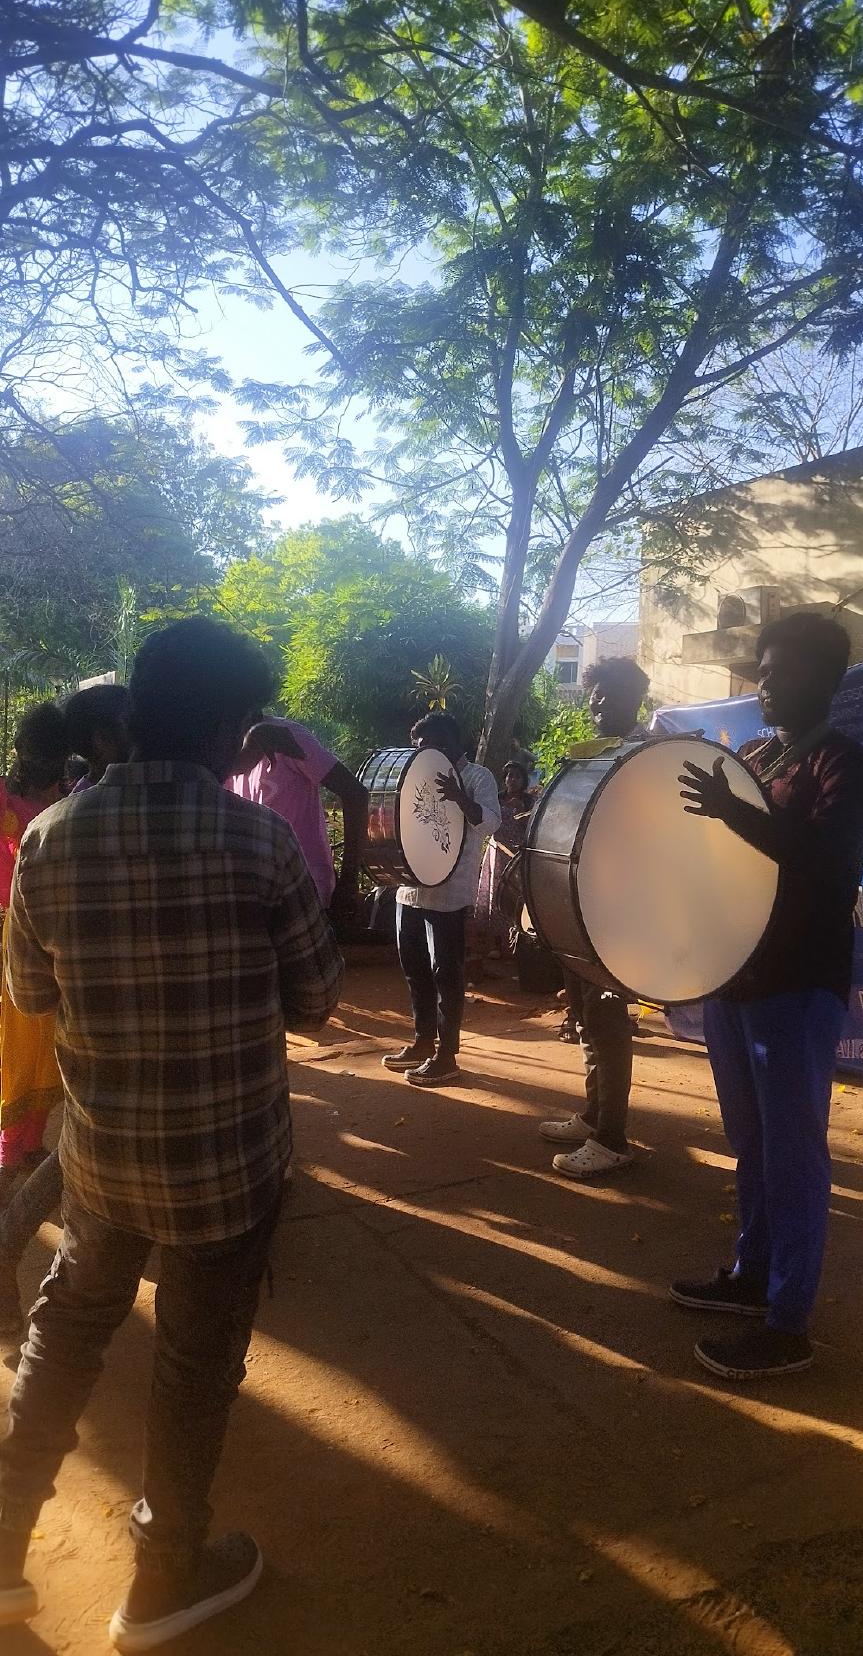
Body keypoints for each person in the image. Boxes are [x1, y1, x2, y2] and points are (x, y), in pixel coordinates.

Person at [0, 617, 344, 1643]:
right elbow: (320, 998)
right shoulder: (259, 839)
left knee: (62, 1342)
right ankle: (161, 1583)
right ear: (236, 729)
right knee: (195, 1372)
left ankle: (4, 1558)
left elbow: (28, 989)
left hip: (100, 1167)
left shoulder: (51, 839)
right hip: (228, 1172)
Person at [672, 612, 863, 1380]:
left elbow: (830, 867)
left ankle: (788, 1321)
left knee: (794, 1153)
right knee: (752, 1143)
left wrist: (736, 812)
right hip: (739, 977)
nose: (763, 683)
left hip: (798, 985)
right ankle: (751, 1275)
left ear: (826, 681)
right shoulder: (758, 756)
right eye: (761, 670)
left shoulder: (845, 766)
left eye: (781, 671)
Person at [0, 686, 134, 1337]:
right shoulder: (62, 812)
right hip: (26, 960)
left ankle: (17, 1189)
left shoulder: (65, 808)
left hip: (53, 963)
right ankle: (8, 1225)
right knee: (29, 1090)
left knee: (58, 1095)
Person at [537, 657, 651, 1179]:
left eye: (608, 695)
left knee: (607, 1024)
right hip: (578, 907)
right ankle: (592, 1114)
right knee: (584, 1016)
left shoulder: (647, 757)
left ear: (634, 699)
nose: (596, 704)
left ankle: (612, 1137)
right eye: (594, 694)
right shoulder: (590, 758)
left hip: (618, 911)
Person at [382, 712, 500, 1087]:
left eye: (434, 744)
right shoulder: (415, 775)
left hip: (448, 893)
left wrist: (459, 797)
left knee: (446, 973)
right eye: (421, 746)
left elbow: (491, 823)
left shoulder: (479, 777)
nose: (427, 751)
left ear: (454, 742)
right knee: (415, 968)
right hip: (410, 889)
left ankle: (446, 1056)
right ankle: (422, 1041)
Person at [0, 705, 70, 1212]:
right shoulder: (9, 798)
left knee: (40, 1039)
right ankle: (10, 1151)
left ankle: (25, 1147)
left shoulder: (64, 801)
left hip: (41, 932)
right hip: (19, 931)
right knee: (18, 1042)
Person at [228, 713, 368, 923]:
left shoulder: (289, 735)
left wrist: (348, 883)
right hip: (257, 893)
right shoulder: (225, 748)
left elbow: (355, 794)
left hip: (306, 893)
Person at [473, 760, 536, 953]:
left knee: (516, 897)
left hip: (516, 857)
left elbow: (534, 827)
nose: (512, 780)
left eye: (517, 776)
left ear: (523, 780)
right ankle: (495, 942)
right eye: (509, 776)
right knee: (495, 895)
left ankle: (516, 942)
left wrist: (524, 814)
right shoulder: (496, 799)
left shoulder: (529, 802)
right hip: (496, 853)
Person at [60, 683, 131, 792]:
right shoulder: (119, 795)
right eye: (127, 723)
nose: (137, 731)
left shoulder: (76, 801)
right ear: (101, 739)